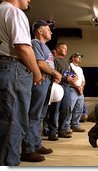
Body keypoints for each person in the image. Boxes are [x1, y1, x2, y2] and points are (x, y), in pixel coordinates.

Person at [0, 0, 43, 166]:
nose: (29, 0)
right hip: (13, 69)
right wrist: (36, 73)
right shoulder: (14, 12)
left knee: (5, 121)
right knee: (13, 121)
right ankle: (8, 163)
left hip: (4, 69)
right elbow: (23, 47)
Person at [21, 20, 62, 162]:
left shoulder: (46, 47)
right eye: (48, 29)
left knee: (40, 115)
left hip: (46, 82)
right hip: (39, 81)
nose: (51, 32)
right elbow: (40, 63)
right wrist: (55, 73)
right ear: (39, 31)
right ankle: (28, 149)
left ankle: (37, 144)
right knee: (33, 115)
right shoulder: (35, 43)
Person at [67, 53, 86, 132]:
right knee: (69, 108)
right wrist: (77, 87)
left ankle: (75, 125)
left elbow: (83, 80)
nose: (79, 58)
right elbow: (70, 78)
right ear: (73, 58)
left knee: (79, 109)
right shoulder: (69, 66)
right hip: (72, 89)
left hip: (80, 91)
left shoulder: (80, 69)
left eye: (80, 57)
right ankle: (67, 126)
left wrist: (81, 87)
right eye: (78, 57)